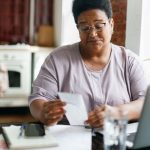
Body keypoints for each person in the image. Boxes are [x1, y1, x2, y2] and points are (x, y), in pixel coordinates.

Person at [29, 0, 148, 128]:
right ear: (78, 29)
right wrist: (43, 112)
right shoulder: (57, 60)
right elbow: (37, 98)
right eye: (85, 28)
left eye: (99, 26)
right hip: (69, 141)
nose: (92, 34)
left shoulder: (129, 61)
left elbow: (146, 103)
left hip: (115, 141)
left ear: (111, 24)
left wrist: (116, 112)